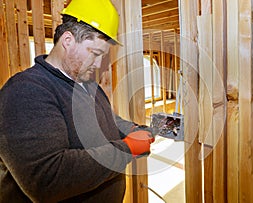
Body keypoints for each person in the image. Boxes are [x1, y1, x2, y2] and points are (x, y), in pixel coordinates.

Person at [0, 0, 155, 202]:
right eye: (95, 53)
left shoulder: (88, 84)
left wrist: (132, 130)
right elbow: (47, 179)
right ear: (68, 40)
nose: (99, 64)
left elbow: (107, 120)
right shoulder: (25, 91)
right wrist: (128, 148)